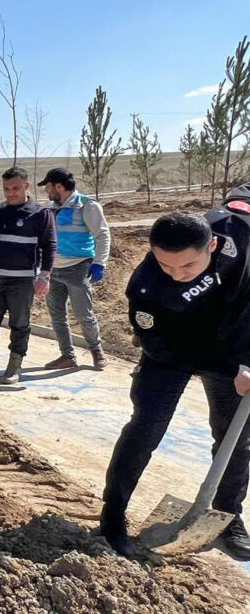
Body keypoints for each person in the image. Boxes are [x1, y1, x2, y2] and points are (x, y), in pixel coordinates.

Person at [101, 204, 250, 559]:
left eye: (187, 265)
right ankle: (113, 513)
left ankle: (228, 515)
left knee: (235, 438)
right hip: (171, 352)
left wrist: (247, 361)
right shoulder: (146, 287)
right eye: (166, 264)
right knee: (146, 426)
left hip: (229, 351)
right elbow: (153, 341)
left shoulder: (237, 238)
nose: (176, 273)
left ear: (212, 246)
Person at [0, 167, 56, 384]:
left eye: (15, 188)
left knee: (19, 324)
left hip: (21, 281)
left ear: (26, 186)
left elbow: (50, 246)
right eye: (6, 188)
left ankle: (14, 366)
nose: (10, 193)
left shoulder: (40, 214)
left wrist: (45, 276)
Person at [37, 168, 111, 370]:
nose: (47, 191)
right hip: (52, 270)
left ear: (58, 186)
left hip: (78, 269)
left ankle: (97, 351)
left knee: (83, 314)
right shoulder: (51, 209)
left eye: (48, 187)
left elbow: (102, 235)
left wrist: (99, 262)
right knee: (57, 315)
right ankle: (67, 355)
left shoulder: (87, 206)